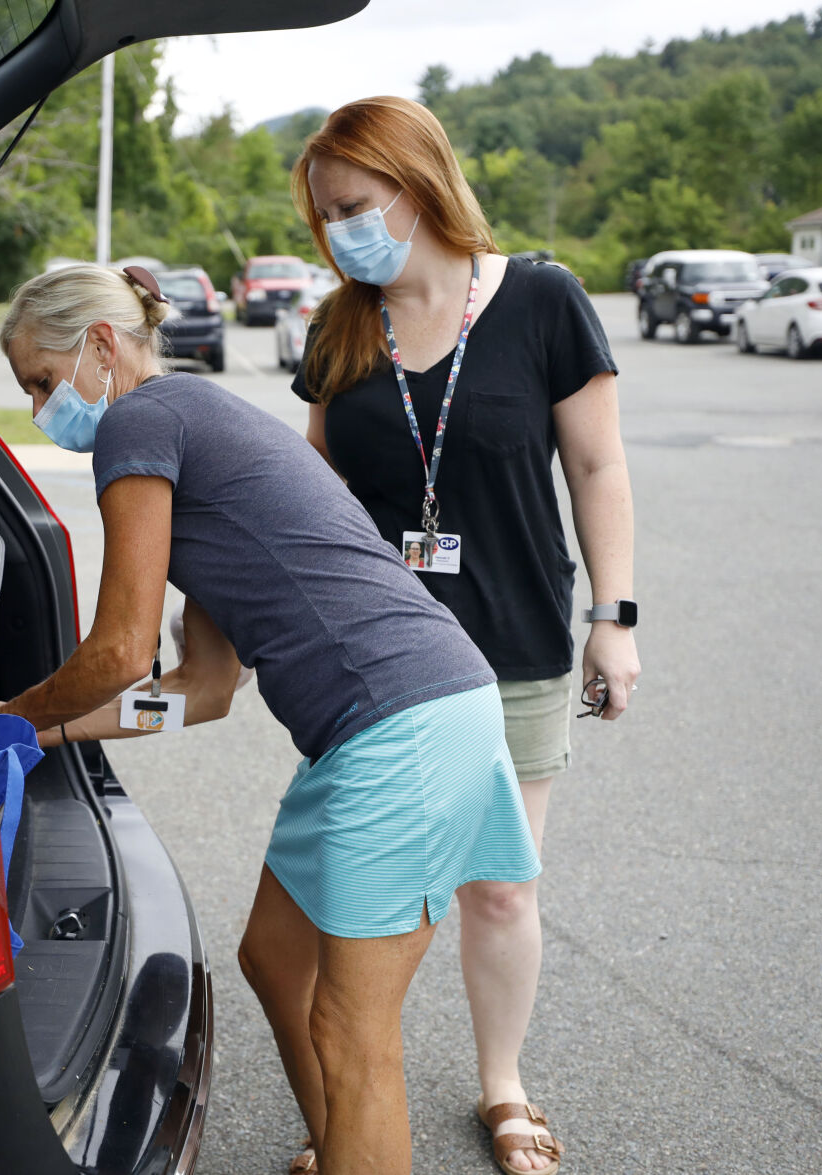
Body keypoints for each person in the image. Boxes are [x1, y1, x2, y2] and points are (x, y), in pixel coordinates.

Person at [0, 262, 543, 1175]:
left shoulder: (139, 422)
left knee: (355, 1037)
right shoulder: (201, 421)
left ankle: (359, 1139)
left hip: (400, 726)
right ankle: (349, 1144)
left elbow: (116, 653)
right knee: (274, 959)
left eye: (41, 378)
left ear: (102, 345)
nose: (40, 405)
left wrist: (5, 713)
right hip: (392, 720)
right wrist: (50, 732)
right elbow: (201, 690)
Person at [290, 95, 639, 1175]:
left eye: (352, 204)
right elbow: (313, 487)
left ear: (414, 182)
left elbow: (596, 467)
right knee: (375, 884)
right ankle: (357, 1104)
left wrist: (611, 619)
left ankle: (502, 1083)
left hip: (515, 641)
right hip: (374, 658)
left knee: (496, 882)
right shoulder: (341, 322)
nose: (339, 230)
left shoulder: (540, 298)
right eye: (324, 214)